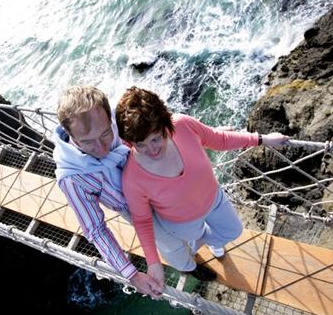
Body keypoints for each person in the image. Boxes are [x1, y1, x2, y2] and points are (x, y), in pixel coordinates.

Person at [115, 86, 289, 294]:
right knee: (186, 252)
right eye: (140, 145)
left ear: (165, 123)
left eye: (155, 139)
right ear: (128, 142)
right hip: (180, 223)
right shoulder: (132, 177)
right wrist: (153, 263)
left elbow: (220, 139)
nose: (151, 150)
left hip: (214, 200)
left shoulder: (182, 125)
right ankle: (192, 265)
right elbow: (142, 221)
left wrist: (262, 139)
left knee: (233, 230)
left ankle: (204, 243)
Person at [52, 85, 162, 298]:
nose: (102, 147)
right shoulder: (72, 178)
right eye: (87, 142)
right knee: (171, 245)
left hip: (162, 183)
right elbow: (95, 229)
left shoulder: (121, 118)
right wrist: (132, 274)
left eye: (105, 134)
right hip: (137, 212)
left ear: (109, 115)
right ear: (68, 133)